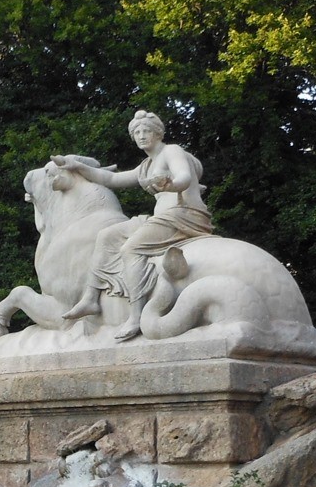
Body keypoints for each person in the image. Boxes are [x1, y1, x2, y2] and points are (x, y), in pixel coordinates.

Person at [55, 110, 215, 341]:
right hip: (161, 218)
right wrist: (77, 166)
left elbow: (184, 177)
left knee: (131, 248)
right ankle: (90, 299)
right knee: (107, 235)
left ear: (158, 133)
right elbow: (111, 179)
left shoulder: (172, 151)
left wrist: (170, 185)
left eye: (146, 131)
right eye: (137, 132)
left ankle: (136, 316)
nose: (141, 135)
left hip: (183, 215)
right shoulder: (146, 165)